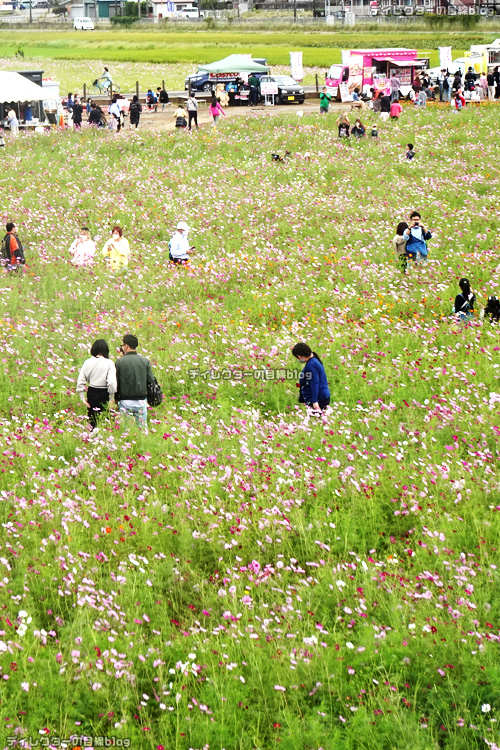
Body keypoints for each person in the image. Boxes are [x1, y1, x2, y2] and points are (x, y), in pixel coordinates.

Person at [115, 334, 155, 434]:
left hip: (125, 400)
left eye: (122, 345)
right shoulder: (145, 361)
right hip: (141, 400)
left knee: (126, 430)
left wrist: (115, 399)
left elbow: (116, 383)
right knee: (142, 429)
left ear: (126, 346)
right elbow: (151, 380)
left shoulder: (119, 362)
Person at [76, 339, 117, 431]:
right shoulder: (109, 363)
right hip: (104, 392)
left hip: (92, 391)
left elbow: (81, 381)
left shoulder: (87, 362)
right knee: (105, 419)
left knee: (92, 419)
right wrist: (111, 398)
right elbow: (111, 382)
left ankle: (90, 438)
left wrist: (82, 397)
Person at [291, 343, 330, 413]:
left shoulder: (311, 365)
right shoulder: (314, 360)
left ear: (300, 355)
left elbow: (314, 383)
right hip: (323, 395)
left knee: (316, 421)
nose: (298, 359)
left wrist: (315, 401)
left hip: (319, 398)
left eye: (297, 357)